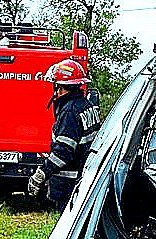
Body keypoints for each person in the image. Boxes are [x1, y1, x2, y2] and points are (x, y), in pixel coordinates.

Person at [27, 58, 101, 207]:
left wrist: (42, 174)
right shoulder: (86, 105)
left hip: (69, 184)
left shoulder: (69, 112)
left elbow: (63, 152)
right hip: (83, 177)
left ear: (59, 87)